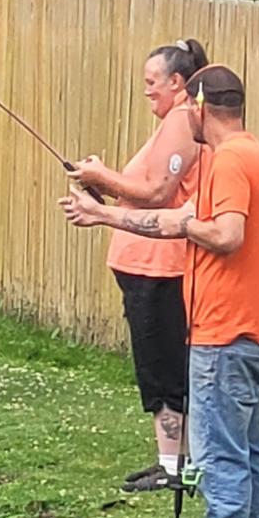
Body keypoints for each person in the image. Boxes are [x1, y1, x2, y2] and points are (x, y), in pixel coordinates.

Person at [59, 64, 259, 518]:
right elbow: (174, 219)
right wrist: (102, 214)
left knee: (223, 465)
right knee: (250, 459)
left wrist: (186, 225)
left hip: (224, 338)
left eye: (190, 109)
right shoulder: (253, 154)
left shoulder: (228, 161)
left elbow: (223, 236)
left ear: (203, 108)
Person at [68, 39, 209, 492]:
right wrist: (102, 190)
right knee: (158, 363)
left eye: (152, 83)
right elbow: (141, 190)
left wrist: (99, 175)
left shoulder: (183, 121)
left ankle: (175, 467)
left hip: (160, 268)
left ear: (176, 82)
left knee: (163, 366)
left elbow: (156, 193)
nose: (146, 91)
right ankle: (173, 462)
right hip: (143, 265)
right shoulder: (174, 120)